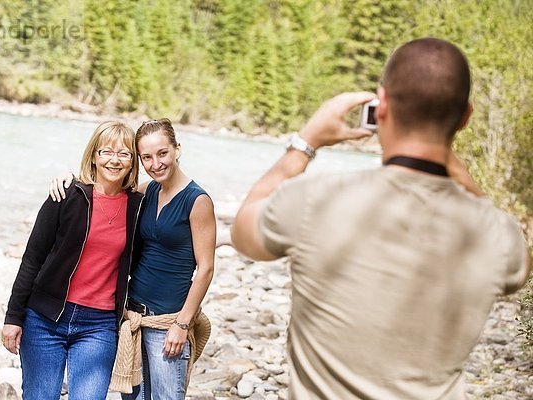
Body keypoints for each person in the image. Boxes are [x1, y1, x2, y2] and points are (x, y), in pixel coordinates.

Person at [230, 38, 531, 399]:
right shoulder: (498, 235)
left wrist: (305, 143)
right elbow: (519, 267)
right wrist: (452, 165)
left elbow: (244, 230)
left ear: (382, 105)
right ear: (465, 117)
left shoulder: (317, 199)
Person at [50, 118, 216, 399]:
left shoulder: (197, 201)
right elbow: (106, 187)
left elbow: (206, 268)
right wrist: (68, 178)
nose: (156, 164)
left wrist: (182, 324)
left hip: (167, 323)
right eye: (146, 157)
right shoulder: (145, 190)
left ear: (177, 149)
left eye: (162, 153)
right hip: (133, 319)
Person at [2, 121, 143, 400]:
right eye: (106, 152)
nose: (114, 160)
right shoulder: (66, 194)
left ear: (132, 163)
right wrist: (13, 317)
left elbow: (169, 193)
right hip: (45, 318)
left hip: (98, 324)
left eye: (124, 154)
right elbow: (33, 257)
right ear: (93, 155)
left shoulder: (138, 206)